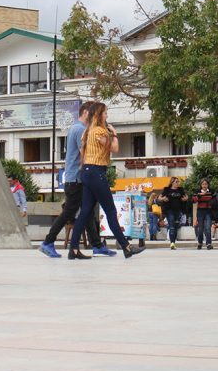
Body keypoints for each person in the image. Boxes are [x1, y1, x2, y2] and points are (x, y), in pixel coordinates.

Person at [68, 102, 143, 259]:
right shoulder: (99, 131)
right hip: (96, 172)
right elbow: (114, 148)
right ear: (98, 115)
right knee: (110, 210)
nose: (107, 115)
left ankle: (73, 249)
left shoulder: (87, 132)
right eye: (105, 113)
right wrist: (114, 134)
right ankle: (126, 247)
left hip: (87, 172)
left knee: (86, 211)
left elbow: (83, 153)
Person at [39, 102, 113, 258]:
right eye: (93, 113)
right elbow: (85, 155)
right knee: (70, 212)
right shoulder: (80, 130)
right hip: (76, 179)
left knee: (88, 212)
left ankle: (97, 245)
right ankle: (48, 242)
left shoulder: (76, 128)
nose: (95, 116)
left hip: (76, 178)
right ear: (86, 113)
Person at [160, 177, 187, 250]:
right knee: (171, 224)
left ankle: (173, 243)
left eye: (178, 182)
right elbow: (160, 198)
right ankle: (172, 242)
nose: (178, 183)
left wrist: (185, 199)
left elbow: (185, 197)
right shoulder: (167, 189)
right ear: (172, 182)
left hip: (178, 210)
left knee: (175, 226)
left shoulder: (180, 190)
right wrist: (163, 199)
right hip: (169, 210)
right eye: (176, 182)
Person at [192, 179, 215, 249]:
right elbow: (193, 200)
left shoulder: (211, 192)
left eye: (206, 184)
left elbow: (214, 200)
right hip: (200, 211)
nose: (204, 185)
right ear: (201, 185)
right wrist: (199, 196)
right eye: (203, 184)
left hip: (208, 211)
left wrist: (210, 202)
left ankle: (208, 243)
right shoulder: (198, 192)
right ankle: (200, 243)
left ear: (208, 185)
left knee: (208, 227)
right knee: (200, 228)